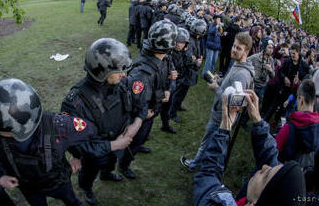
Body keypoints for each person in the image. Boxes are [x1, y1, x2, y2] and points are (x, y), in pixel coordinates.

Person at [0, 78, 101, 206]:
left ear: (16, 129)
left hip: (58, 182)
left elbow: (89, 132)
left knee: (72, 201)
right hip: (28, 187)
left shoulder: (58, 126)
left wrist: (78, 156)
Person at [61, 38, 144, 205]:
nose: (123, 75)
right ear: (101, 71)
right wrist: (114, 145)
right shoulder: (76, 102)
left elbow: (140, 102)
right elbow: (79, 145)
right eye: (118, 71)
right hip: (95, 153)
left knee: (110, 162)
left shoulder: (121, 83)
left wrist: (137, 123)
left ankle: (106, 173)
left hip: (117, 143)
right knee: (89, 172)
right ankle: (86, 188)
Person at [194, 90, 306, 206]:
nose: (264, 167)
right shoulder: (259, 196)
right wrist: (258, 121)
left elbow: (207, 175)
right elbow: (270, 159)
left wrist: (224, 130)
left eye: (266, 174)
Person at [181, 32, 255, 171]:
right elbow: (230, 86)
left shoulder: (242, 74)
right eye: (234, 46)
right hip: (219, 112)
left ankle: (195, 165)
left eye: (239, 48)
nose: (234, 49)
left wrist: (216, 88)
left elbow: (235, 103)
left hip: (223, 117)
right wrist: (220, 80)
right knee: (210, 141)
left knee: (209, 142)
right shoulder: (237, 64)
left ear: (246, 51)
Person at [118, 20, 178, 179]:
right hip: (142, 116)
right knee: (134, 141)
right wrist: (145, 115)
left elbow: (165, 78)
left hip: (152, 110)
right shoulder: (143, 73)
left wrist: (168, 88)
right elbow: (137, 102)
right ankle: (124, 165)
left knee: (142, 137)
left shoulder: (163, 58)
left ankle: (139, 144)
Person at [275, 79, 319, 190]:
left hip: (283, 179)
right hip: (305, 185)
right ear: (314, 100)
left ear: (301, 100)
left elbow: (272, 153)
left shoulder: (289, 127)